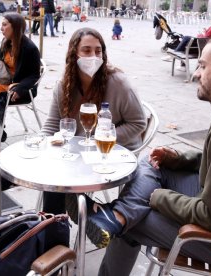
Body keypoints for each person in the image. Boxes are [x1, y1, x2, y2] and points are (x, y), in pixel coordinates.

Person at [66, 30, 211, 275]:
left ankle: (117, 218)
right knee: (151, 165)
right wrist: (179, 159)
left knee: (135, 220)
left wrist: (159, 197)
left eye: (203, 66)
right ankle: (117, 215)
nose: (196, 73)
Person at [41, 27, 147, 215]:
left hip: (113, 151)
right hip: (80, 149)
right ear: (74, 54)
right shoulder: (64, 84)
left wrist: (101, 139)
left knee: (56, 185)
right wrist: (42, 145)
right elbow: (52, 123)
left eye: (98, 51)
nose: (94, 56)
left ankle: (81, 215)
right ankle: (80, 214)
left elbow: (138, 123)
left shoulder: (119, 83)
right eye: (87, 50)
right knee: (51, 175)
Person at [0, 13, 41, 145]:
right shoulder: (6, 42)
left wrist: (20, 88)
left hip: (18, 83)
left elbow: (34, 75)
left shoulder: (29, 48)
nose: (1, 28)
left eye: (4, 25)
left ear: (15, 27)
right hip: (3, 77)